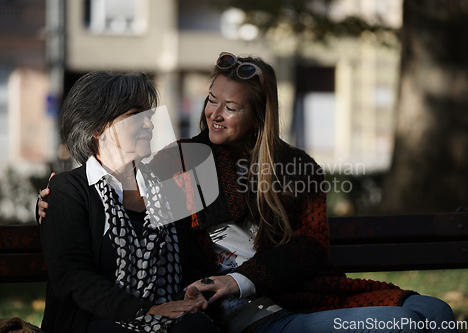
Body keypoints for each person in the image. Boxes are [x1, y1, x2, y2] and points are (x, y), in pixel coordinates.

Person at [39, 54, 459, 333]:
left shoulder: (295, 168)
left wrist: (241, 279)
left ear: (259, 116)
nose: (213, 114)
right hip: (249, 314)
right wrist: (51, 197)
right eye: (210, 101)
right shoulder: (180, 162)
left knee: (436, 314)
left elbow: (310, 248)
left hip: (300, 295)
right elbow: (111, 177)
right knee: (408, 325)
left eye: (231, 107)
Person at [38, 71, 217, 333]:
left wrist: (193, 293)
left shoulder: (166, 187)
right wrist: (144, 311)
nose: (150, 125)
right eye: (136, 115)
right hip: (94, 321)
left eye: (150, 115)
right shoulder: (69, 190)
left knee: (198, 327)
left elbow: (192, 263)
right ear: (98, 128)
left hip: (166, 318)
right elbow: (72, 277)